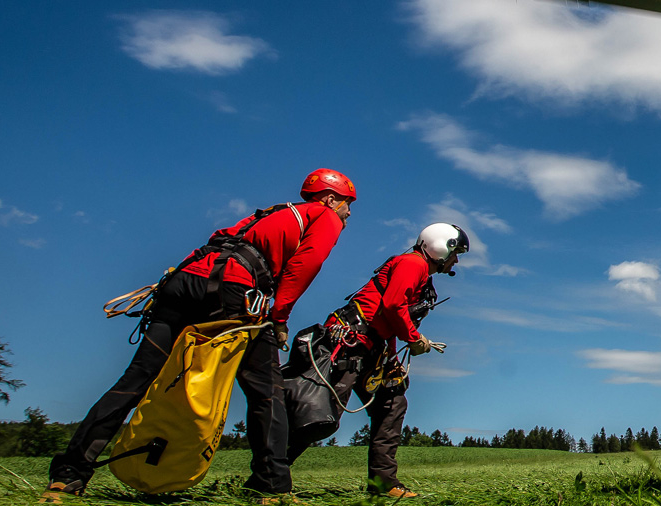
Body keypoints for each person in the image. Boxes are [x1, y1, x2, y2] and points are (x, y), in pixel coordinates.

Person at [44, 168, 355, 504]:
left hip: (184, 282)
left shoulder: (271, 213)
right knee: (266, 391)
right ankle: (271, 485)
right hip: (235, 291)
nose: (348, 212)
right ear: (329, 198)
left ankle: (68, 476)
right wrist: (279, 317)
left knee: (137, 379)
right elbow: (306, 264)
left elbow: (219, 239)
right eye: (347, 204)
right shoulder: (325, 216)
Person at [283, 223, 465, 499]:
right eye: (456, 252)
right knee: (320, 415)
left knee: (392, 403)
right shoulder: (412, 264)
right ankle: (270, 478)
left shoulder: (419, 273)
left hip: (373, 347)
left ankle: (383, 482)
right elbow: (393, 305)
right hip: (350, 345)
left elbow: (387, 319)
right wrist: (414, 339)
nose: (456, 260)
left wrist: (392, 358)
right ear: (440, 246)